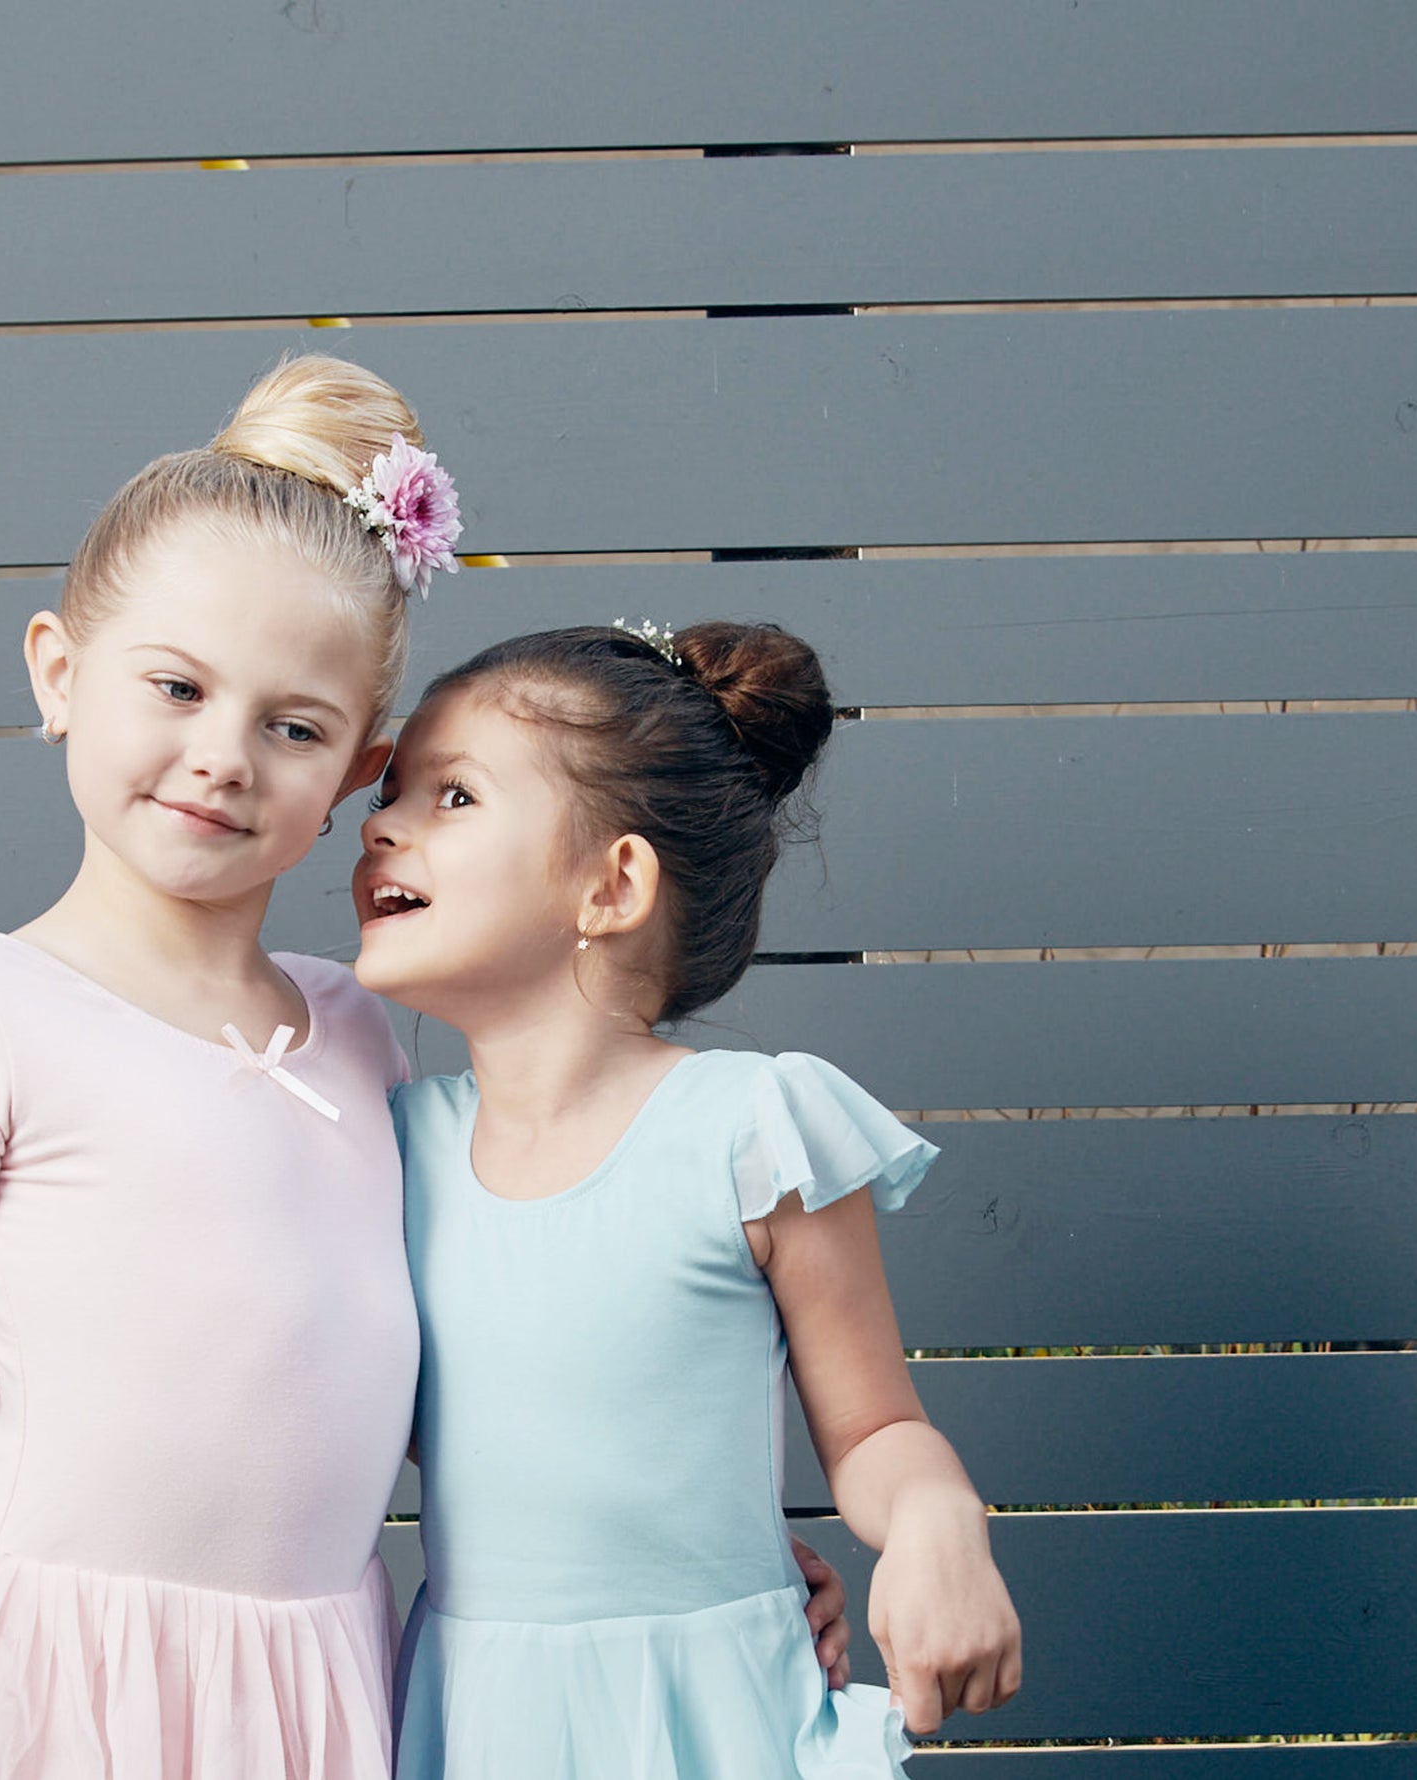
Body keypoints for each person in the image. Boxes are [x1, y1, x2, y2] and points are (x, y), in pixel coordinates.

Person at [0, 356, 843, 1780]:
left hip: (307, 1704)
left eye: (293, 727)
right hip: (38, 1689)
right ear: (60, 673)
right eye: (177, 687)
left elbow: (511, 1376)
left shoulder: (370, 1040)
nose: (222, 756)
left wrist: (699, 1570)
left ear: (353, 774)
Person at [356, 621, 1023, 1778]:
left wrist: (933, 1521)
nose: (379, 823)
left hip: (711, 1718)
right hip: (476, 1717)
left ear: (611, 885)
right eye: (391, 791)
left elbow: (873, 1428)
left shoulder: (749, 1132)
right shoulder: (384, 1147)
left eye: (451, 796)